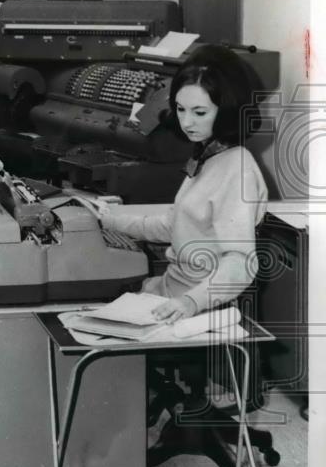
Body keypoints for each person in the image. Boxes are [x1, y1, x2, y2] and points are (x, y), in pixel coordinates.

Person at [96, 45, 268, 323]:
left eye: (199, 113)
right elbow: (173, 225)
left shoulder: (237, 169)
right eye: (180, 109)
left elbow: (240, 261)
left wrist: (191, 302)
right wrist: (106, 220)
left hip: (200, 309)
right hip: (170, 293)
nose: (187, 122)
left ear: (225, 111)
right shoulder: (209, 154)